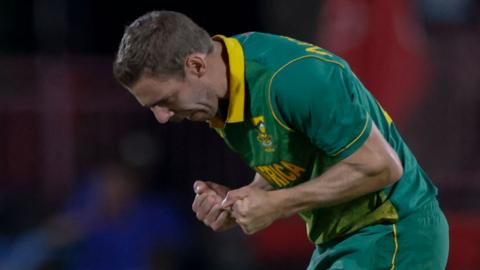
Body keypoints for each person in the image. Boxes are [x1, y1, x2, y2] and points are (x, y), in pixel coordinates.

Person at [112, 10, 449, 269]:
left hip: (393, 230)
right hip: (341, 240)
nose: (163, 116)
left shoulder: (291, 77)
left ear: (197, 65)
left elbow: (381, 166)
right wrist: (246, 197)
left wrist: (277, 205)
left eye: (164, 100)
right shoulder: (220, 91)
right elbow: (289, 154)